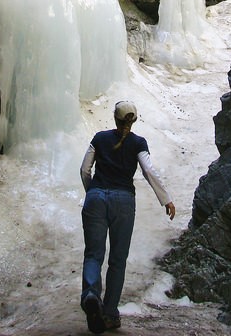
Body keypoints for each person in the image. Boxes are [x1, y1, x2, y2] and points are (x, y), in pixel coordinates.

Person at [80, 100, 175, 334]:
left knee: (93, 254)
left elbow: (84, 169)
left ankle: (91, 295)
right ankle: (110, 313)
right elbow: (148, 170)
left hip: (96, 198)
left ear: (114, 118)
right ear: (133, 121)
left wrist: (92, 191)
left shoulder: (100, 138)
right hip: (123, 201)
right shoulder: (138, 143)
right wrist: (166, 199)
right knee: (118, 260)